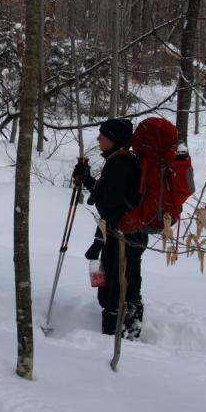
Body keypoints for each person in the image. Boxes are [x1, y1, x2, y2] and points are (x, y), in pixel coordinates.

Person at [73, 118, 149, 339]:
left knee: (112, 291)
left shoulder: (118, 164)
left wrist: (98, 242)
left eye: (102, 135)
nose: (98, 138)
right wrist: (88, 180)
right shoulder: (126, 161)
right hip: (135, 236)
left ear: (113, 139)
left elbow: (111, 210)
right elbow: (111, 197)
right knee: (131, 284)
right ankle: (131, 332)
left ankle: (111, 339)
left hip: (120, 238)